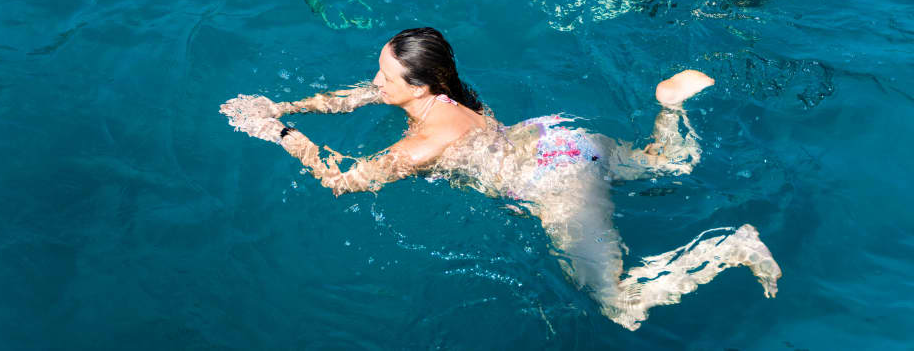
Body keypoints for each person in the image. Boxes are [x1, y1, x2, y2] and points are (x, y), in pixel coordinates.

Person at [220, 27, 781, 330]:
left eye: (385, 76)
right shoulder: (446, 92)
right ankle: (669, 105)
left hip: (557, 184)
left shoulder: (424, 144)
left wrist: (278, 133)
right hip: (560, 138)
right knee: (671, 163)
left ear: (419, 86)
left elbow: (342, 180)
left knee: (621, 306)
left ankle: (732, 246)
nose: (375, 82)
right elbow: (353, 97)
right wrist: (283, 105)